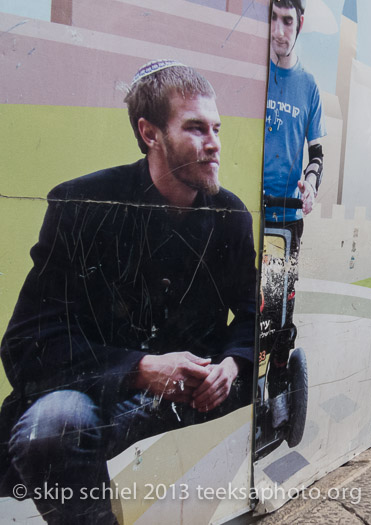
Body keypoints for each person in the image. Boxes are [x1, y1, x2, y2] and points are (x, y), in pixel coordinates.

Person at [0, 60, 257, 524]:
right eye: (196, 128)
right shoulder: (81, 205)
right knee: (50, 426)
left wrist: (234, 362)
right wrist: (139, 370)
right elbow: (26, 345)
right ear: (149, 132)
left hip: (196, 396)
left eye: (216, 128)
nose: (214, 143)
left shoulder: (231, 216)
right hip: (107, 395)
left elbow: (254, 317)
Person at [263, 0, 325, 425]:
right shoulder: (253, 71)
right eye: (273, 19)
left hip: (284, 222)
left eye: (288, 21)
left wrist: (312, 183)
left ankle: (277, 385)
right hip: (246, 215)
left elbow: (316, 154)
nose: (279, 31)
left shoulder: (308, 86)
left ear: (299, 24)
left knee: (277, 311)